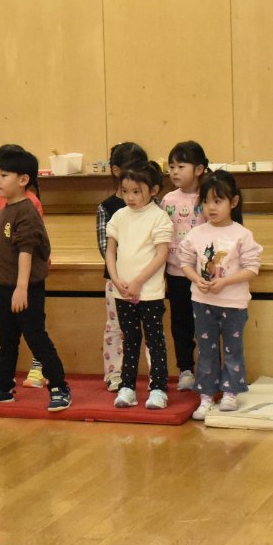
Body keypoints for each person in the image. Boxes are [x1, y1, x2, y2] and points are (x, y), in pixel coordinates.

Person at [0, 147, 70, 411]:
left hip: (25, 288)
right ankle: (3, 387)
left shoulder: (26, 210)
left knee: (36, 338)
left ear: (23, 180)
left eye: (4, 175)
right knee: (7, 340)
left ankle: (59, 387)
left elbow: (27, 250)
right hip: (5, 285)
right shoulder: (4, 208)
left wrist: (22, 288)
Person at [179, 171, 263, 420]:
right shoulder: (196, 233)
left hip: (233, 304)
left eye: (218, 201)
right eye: (206, 202)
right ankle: (206, 395)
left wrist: (225, 281)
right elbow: (185, 263)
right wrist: (197, 279)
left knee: (233, 350)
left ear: (233, 202)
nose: (211, 207)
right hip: (202, 302)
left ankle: (230, 392)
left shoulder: (242, 234)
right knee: (206, 350)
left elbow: (252, 268)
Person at [105, 164, 172, 409]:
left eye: (136, 191)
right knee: (130, 340)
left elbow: (161, 255)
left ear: (153, 190)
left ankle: (158, 388)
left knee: (155, 341)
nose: (130, 197)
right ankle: (128, 387)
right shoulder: (119, 216)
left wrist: (138, 282)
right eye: (125, 191)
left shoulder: (159, 217)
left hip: (149, 293)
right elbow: (111, 251)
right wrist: (115, 279)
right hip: (122, 291)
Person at [0, 143, 46, 388]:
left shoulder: (29, 204)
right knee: (7, 333)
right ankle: (4, 376)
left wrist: (22, 281)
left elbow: (31, 245)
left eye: (4, 174)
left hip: (27, 279)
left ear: (22, 179)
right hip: (4, 277)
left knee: (33, 329)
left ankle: (40, 368)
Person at [97, 142, 149, 391]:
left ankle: (155, 376)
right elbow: (105, 247)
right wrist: (119, 277)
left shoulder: (152, 205)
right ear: (117, 171)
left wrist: (143, 273)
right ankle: (114, 374)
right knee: (115, 326)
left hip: (148, 279)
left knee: (151, 328)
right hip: (116, 280)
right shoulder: (107, 207)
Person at [162, 141, 209, 392]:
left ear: (199, 169)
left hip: (203, 275)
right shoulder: (168, 199)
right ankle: (185, 369)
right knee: (181, 323)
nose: (174, 171)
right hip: (175, 272)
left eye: (181, 166)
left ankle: (208, 368)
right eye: (171, 166)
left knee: (205, 323)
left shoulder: (208, 197)